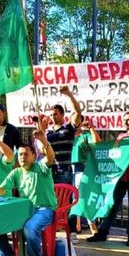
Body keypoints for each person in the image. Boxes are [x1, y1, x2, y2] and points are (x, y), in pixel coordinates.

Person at [0, 131, 57, 256]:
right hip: (24, 210)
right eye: (21, 154)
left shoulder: (41, 167)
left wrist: (44, 141)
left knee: (29, 229)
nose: (22, 157)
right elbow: (3, 188)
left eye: (26, 154)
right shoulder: (16, 172)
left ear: (34, 156)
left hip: (44, 210)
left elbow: (50, 158)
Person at [87, 110, 129, 247]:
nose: (125, 122)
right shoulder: (121, 136)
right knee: (112, 205)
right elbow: (115, 154)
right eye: (124, 119)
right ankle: (103, 232)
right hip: (120, 177)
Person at [46, 86, 82, 241]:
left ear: (62, 114)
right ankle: (52, 228)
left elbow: (78, 112)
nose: (53, 117)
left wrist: (69, 95)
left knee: (66, 200)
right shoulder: (48, 132)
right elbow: (43, 150)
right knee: (51, 200)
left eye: (55, 114)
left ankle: (72, 230)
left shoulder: (69, 128)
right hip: (50, 170)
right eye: (51, 115)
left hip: (64, 170)